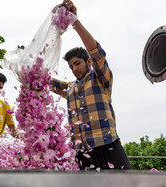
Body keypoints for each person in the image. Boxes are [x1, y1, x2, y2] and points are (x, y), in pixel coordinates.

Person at [50, 0, 131, 170]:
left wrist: (75, 21)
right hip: (82, 153)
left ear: (88, 62)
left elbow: (95, 51)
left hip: (107, 145)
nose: (74, 68)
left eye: (77, 63)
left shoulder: (101, 78)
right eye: (71, 66)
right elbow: (45, 82)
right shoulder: (70, 88)